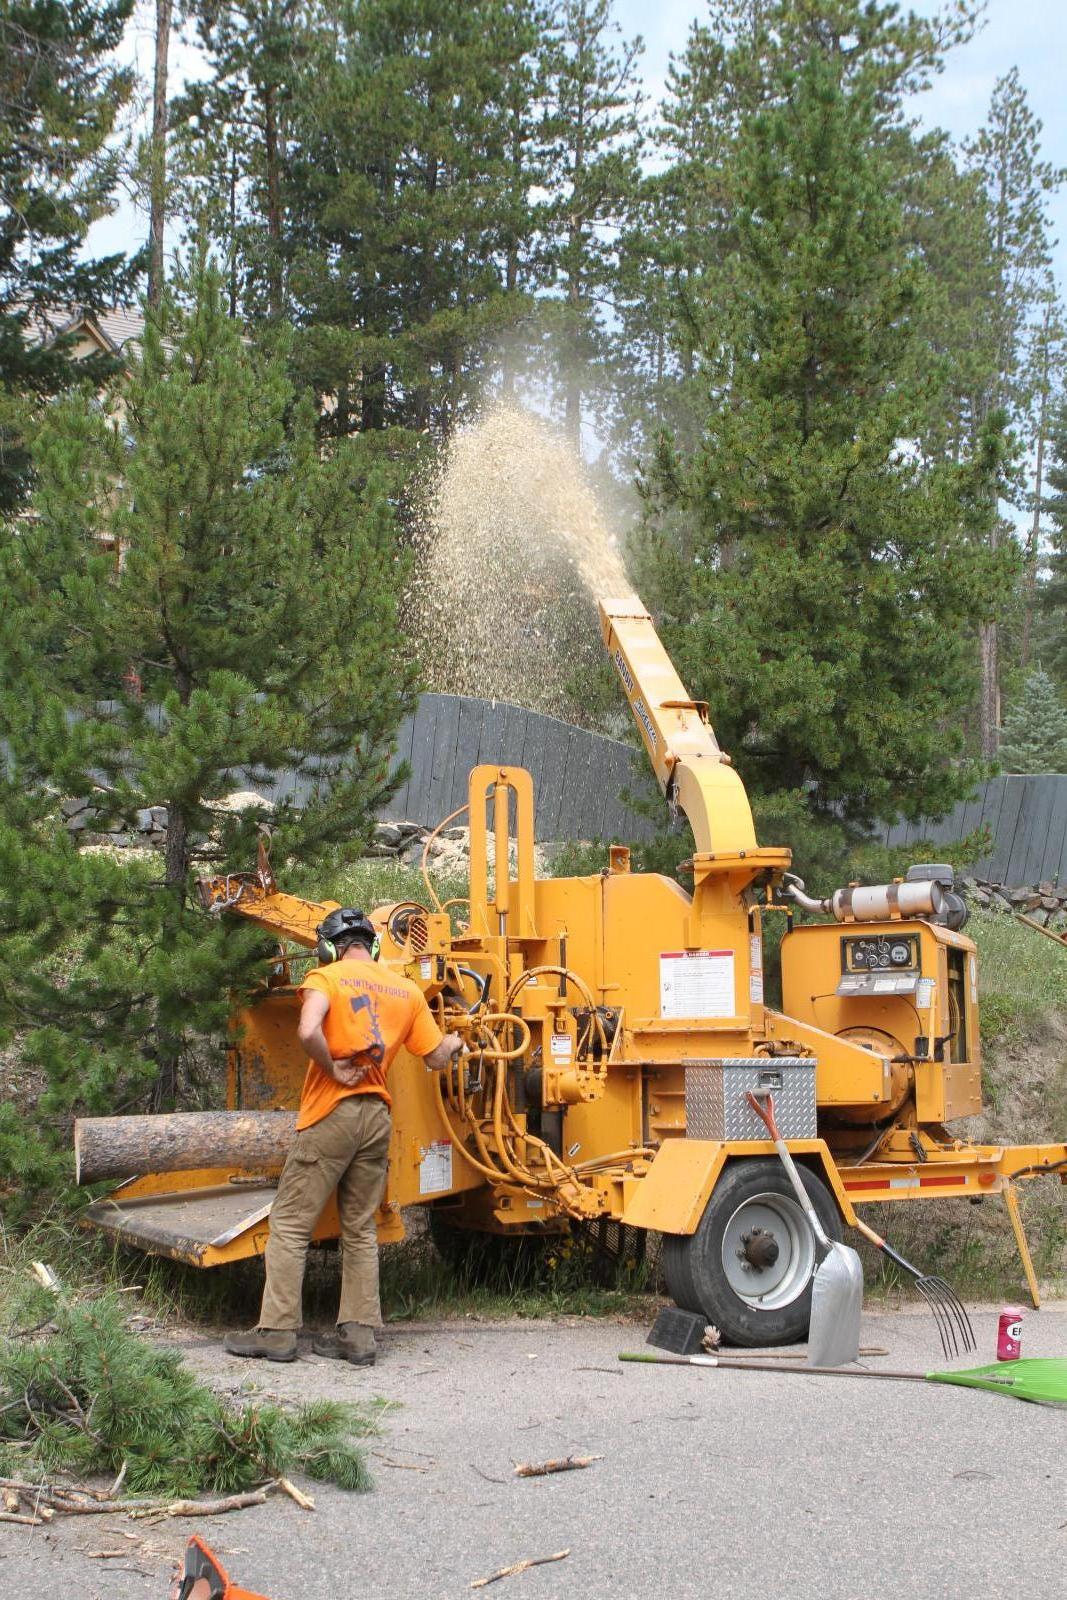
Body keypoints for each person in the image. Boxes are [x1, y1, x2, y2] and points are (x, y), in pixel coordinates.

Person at [225, 907, 462, 1366]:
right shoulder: (407, 990)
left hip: (333, 1110)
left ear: (329, 947)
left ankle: (277, 1332)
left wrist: (332, 1067)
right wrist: (456, 1042)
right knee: (360, 1228)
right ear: (372, 946)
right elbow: (436, 1058)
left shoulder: (326, 978)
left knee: (291, 1224)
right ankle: (358, 1337)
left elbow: (307, 1030)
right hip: (377, 1116)